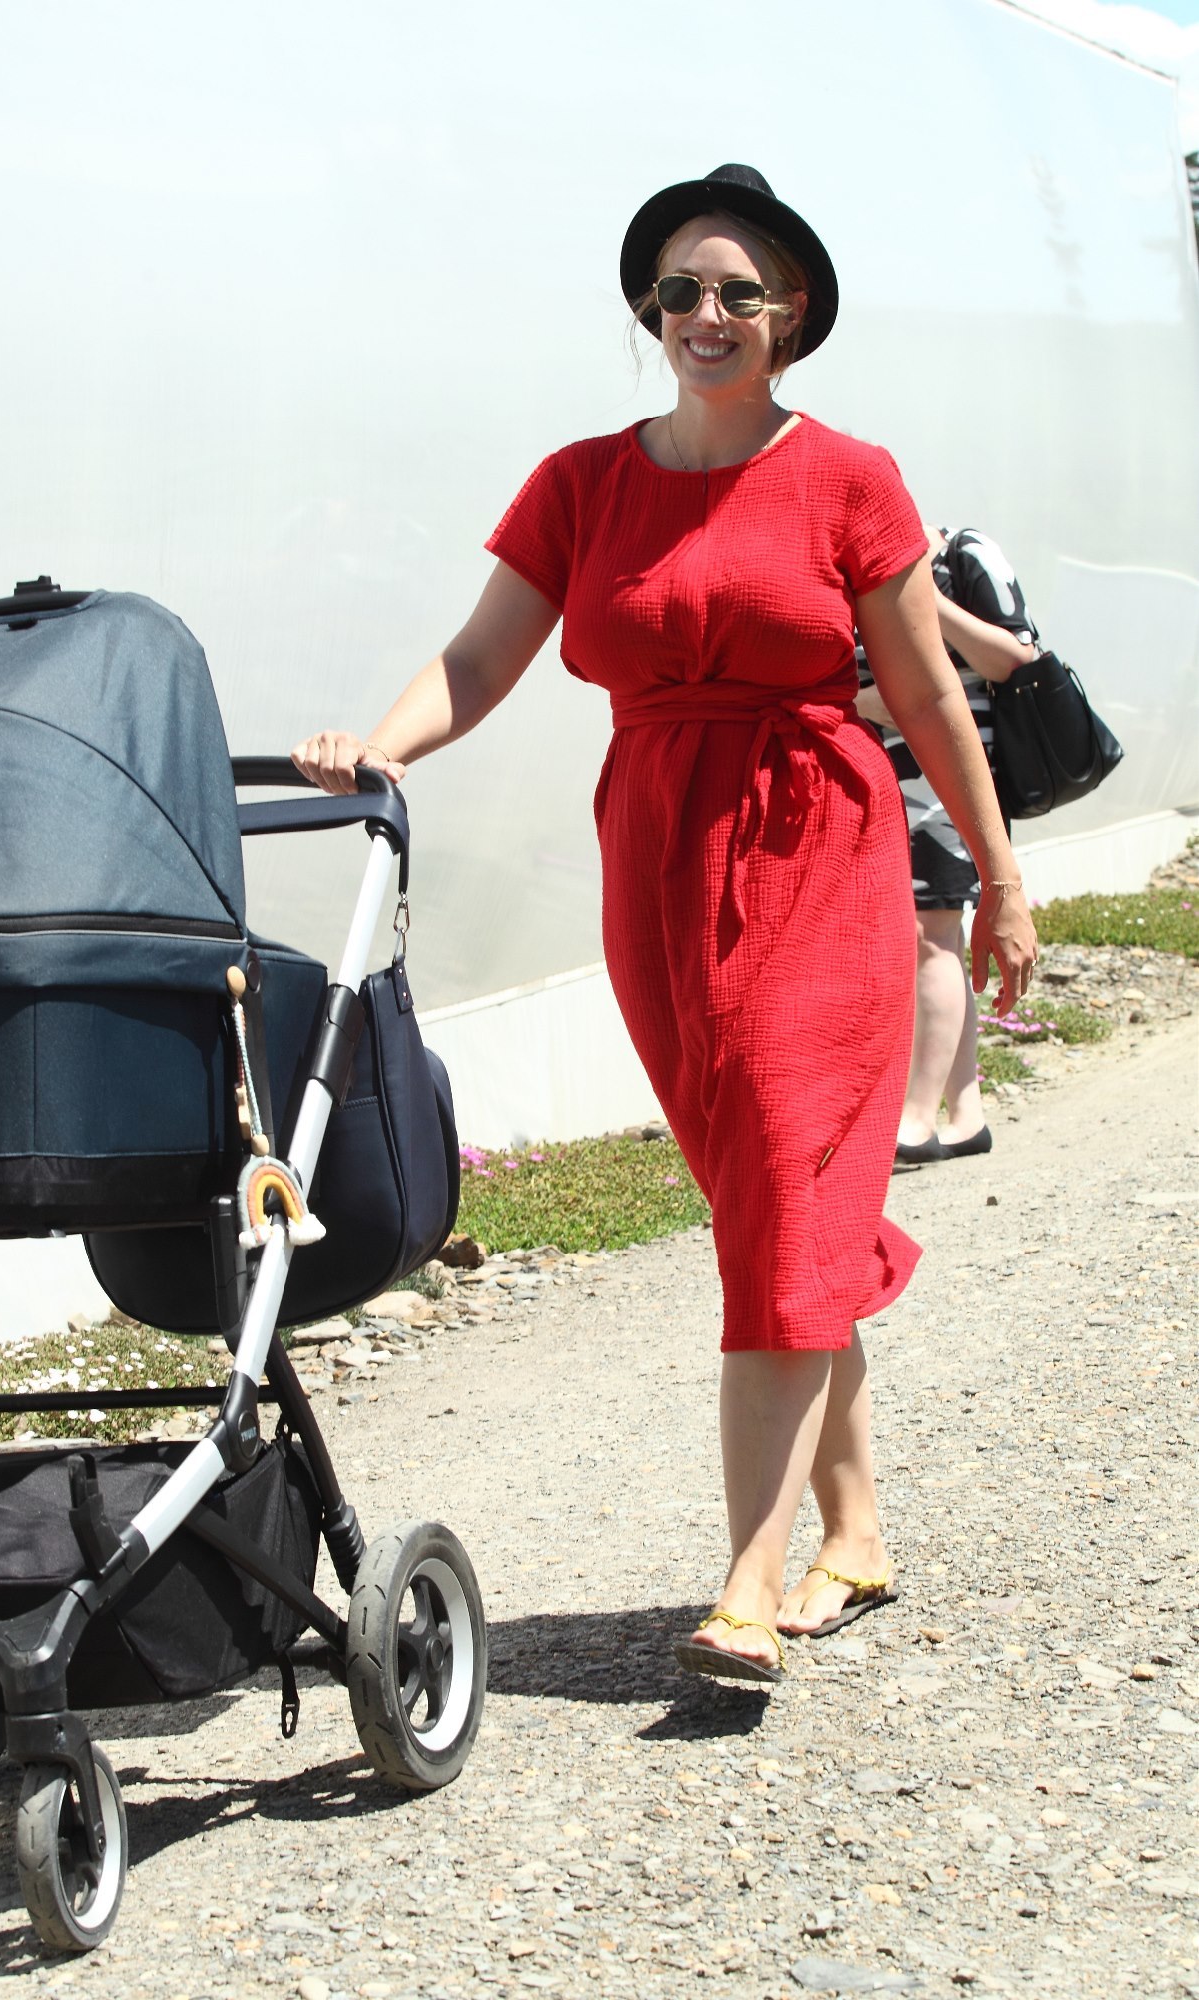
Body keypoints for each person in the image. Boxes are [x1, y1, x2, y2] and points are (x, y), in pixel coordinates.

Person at [292, 163, 1037, 1685]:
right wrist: (379, 745)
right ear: (651, 310)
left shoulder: (850, 478)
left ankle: (748, 1585)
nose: (706, 313)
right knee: (770, 1200)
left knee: (779, 1180)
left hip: (817, 843)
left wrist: (1001, 878)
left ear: (789, 314)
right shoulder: (580, 483)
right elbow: (481, 659)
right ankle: (855, 1532)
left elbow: (922, 691)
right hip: (655, 856)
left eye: (737, 292)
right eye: (680, 291)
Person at [856, 528, 1040, 1163]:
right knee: (939, 940)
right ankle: (966, 1113)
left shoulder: (965, 554)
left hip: (947, 782)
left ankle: (916, 1115)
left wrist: (923, 600)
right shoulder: (846, 566)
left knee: (929, 935)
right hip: (874, 775)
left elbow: (1013, 658)